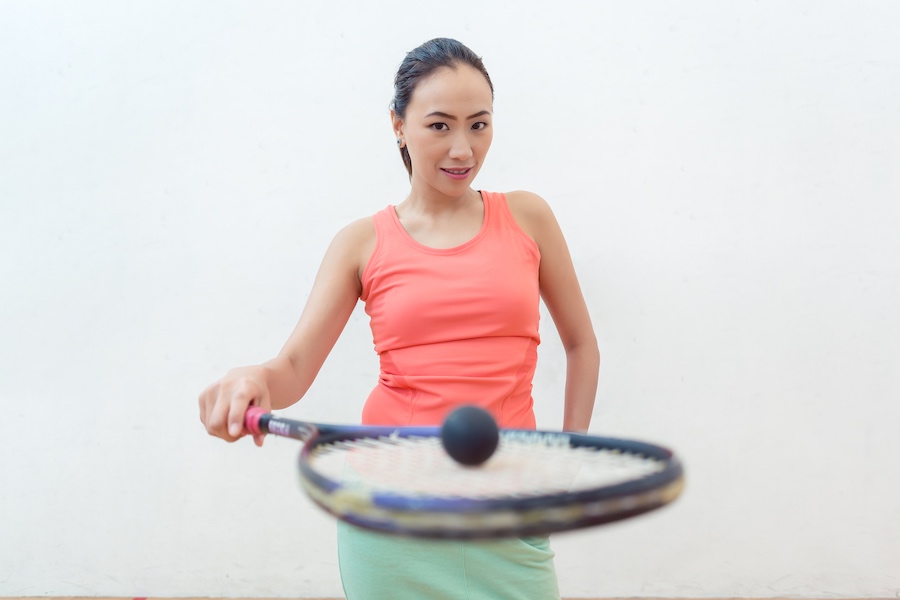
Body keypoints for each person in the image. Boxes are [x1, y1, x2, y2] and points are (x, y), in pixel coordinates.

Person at [199, 37, 599, 599]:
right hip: (391, 506)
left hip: (506, 500)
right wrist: (254, 380)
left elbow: (582, 345)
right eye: (440, 125)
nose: (462, 148)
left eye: (479, 125)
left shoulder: (529, 217)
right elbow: (291, 366)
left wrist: (567, 455)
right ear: (398, 124)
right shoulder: (361, 243)